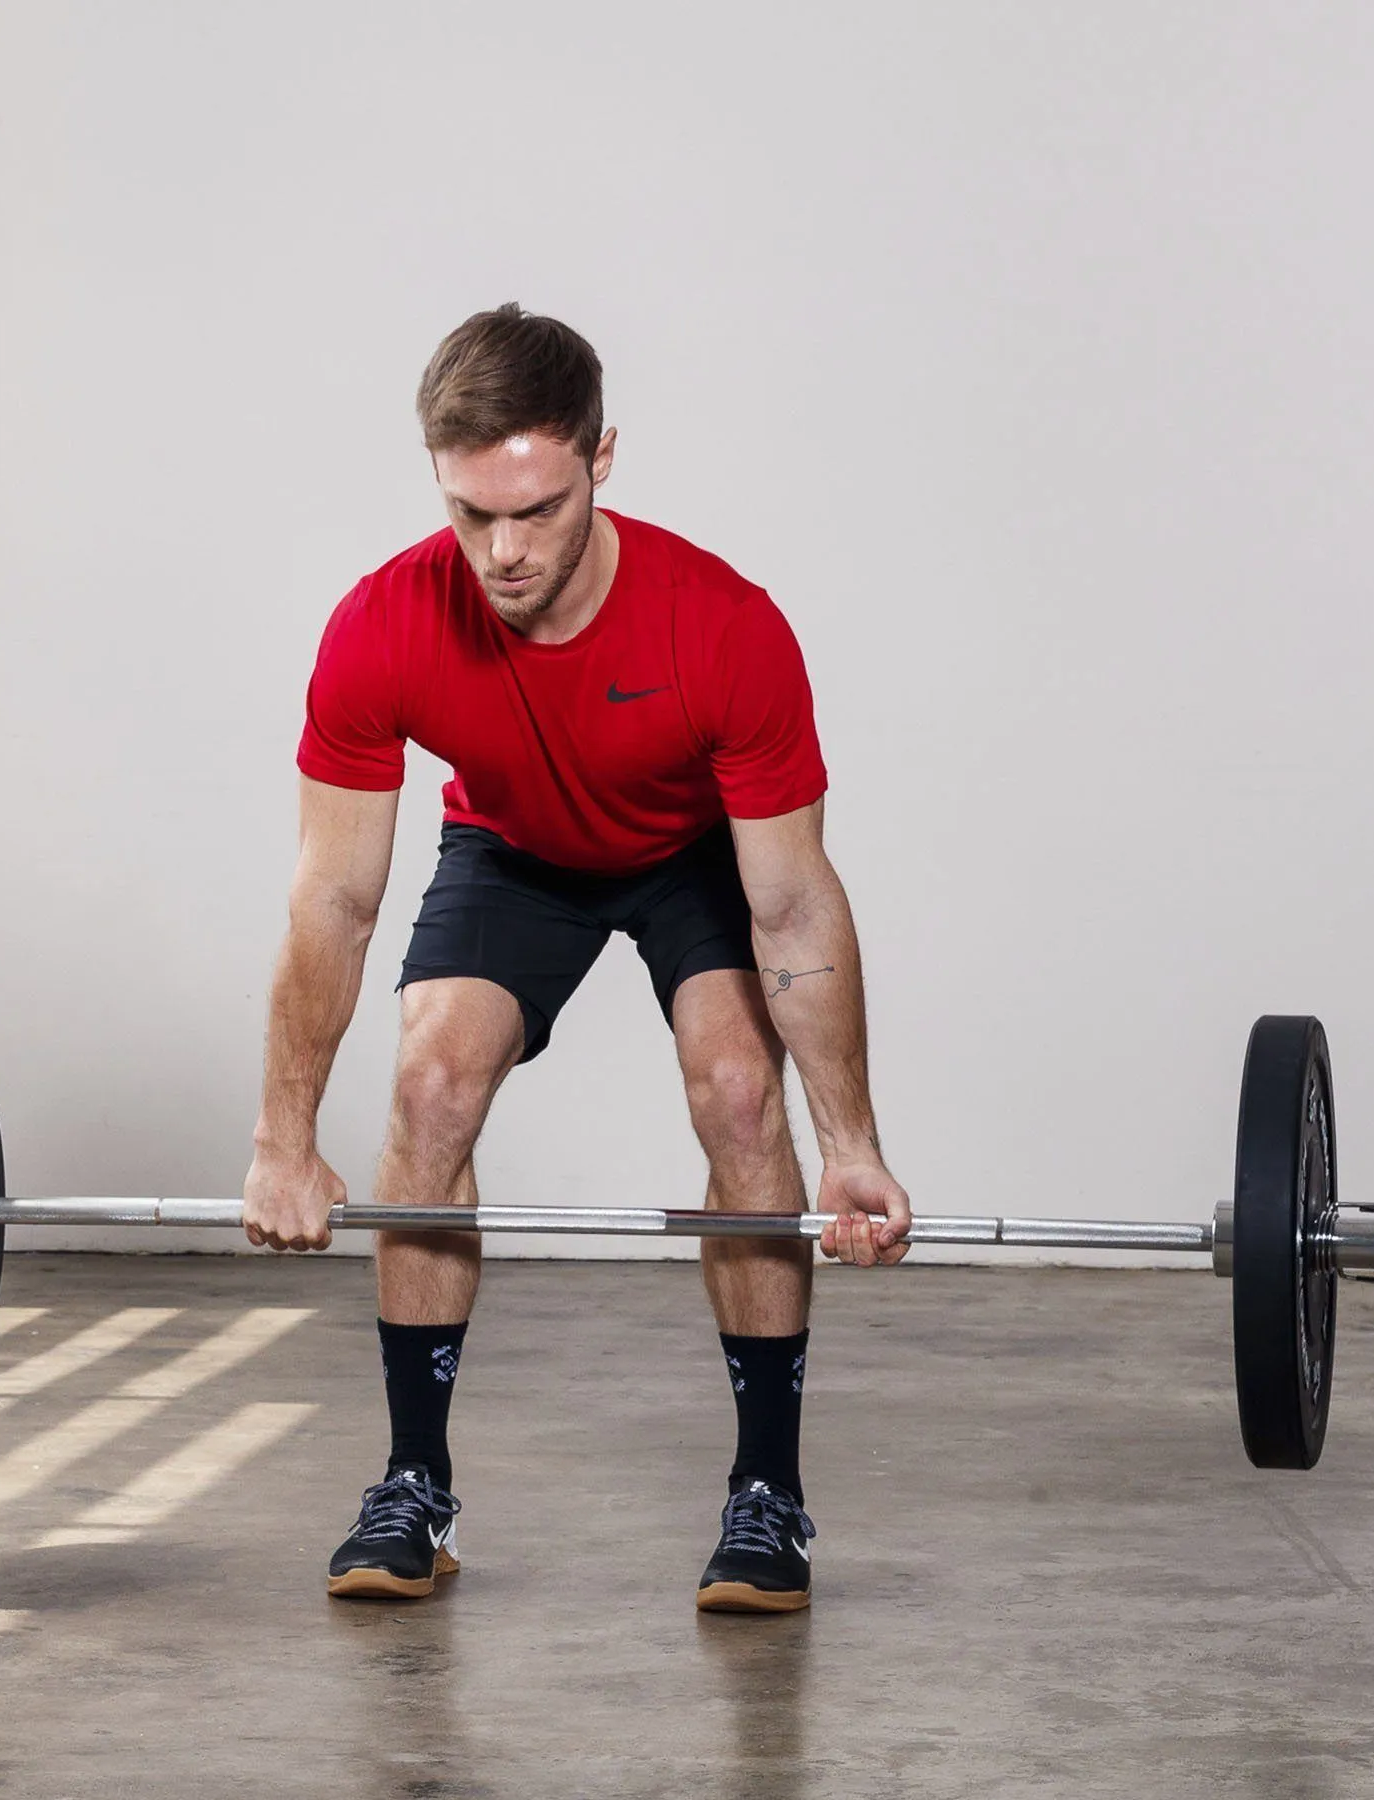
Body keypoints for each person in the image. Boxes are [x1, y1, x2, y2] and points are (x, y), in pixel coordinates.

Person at [241, 303, 911, 1613]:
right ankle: (413, 1487)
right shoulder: (384, 624)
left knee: (733, 1086)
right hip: (513, 851)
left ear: (603, 462)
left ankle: (767, 1495)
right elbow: (332, 898)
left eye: (536, 510)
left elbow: (792, 908)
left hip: (687, 856)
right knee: (430, 1084)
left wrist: (851, 1141)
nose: (501, 550)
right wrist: (281, 1138)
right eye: (469, 513)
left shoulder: (723, 627)